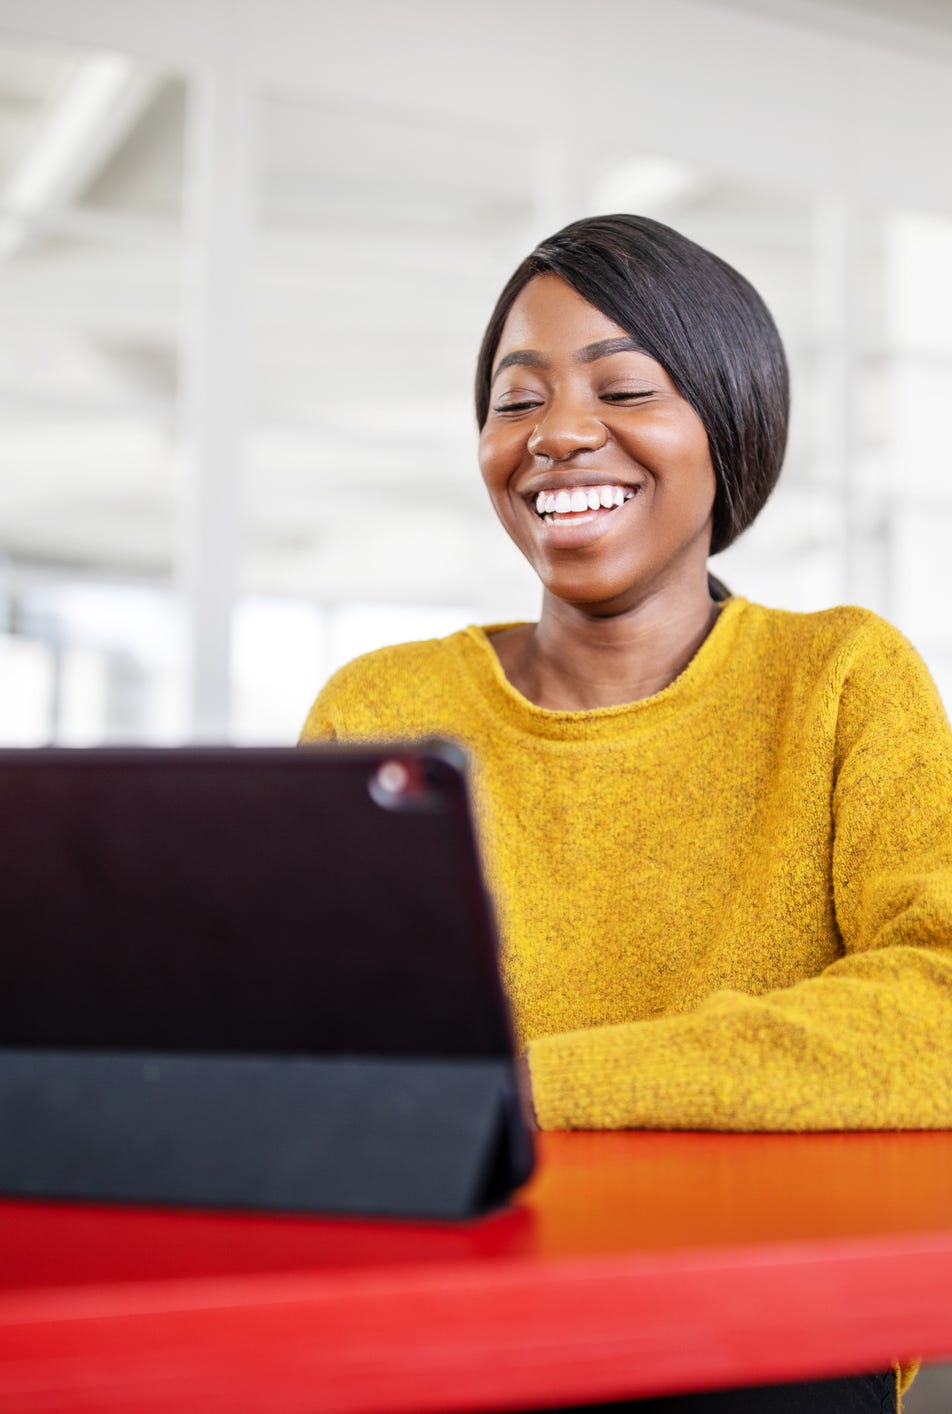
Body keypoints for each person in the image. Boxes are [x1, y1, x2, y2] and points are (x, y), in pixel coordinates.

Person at [301, 214, 952, 1413]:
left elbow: (938, 1009)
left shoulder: (844, 678)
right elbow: (304, 1044)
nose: (555, 433)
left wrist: (526, 1084)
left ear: (727, 425)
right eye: (515, 401)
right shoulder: (383, 707)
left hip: (764, 1311)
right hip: (440, 1294)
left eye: (622, 387)